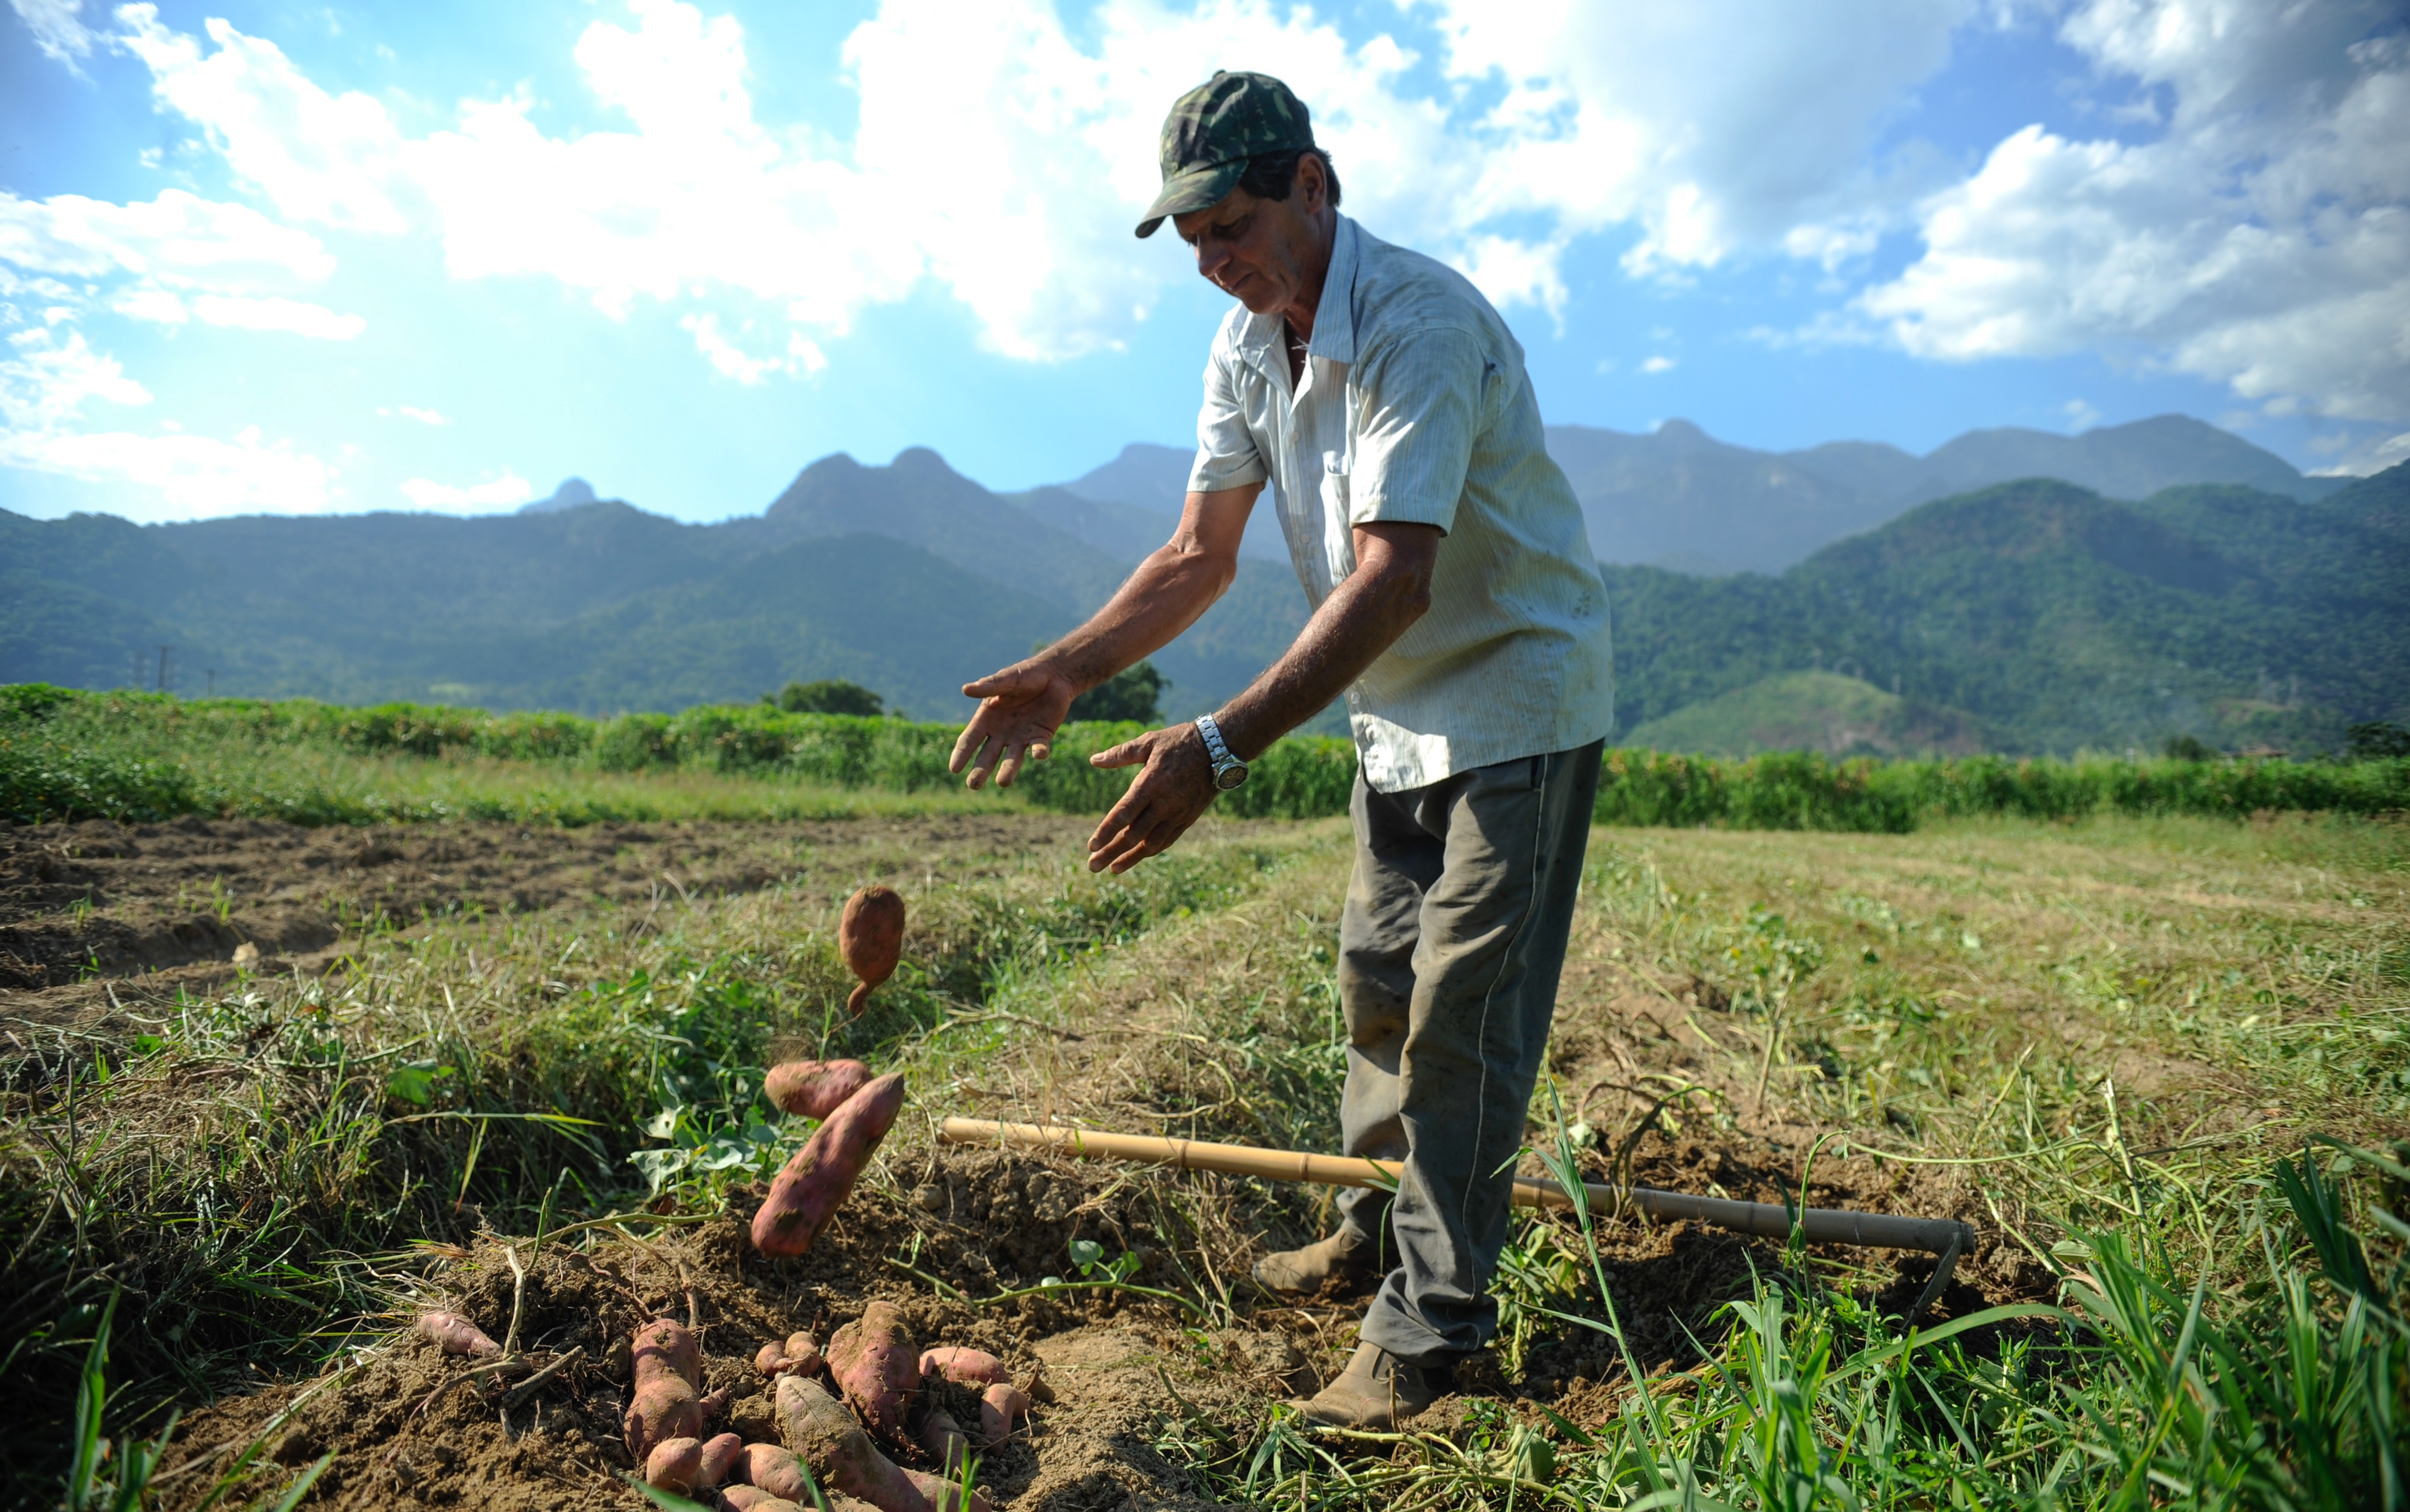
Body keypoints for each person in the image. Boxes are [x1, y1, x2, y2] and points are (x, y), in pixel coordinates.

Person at [949, 70, 1613, 1430]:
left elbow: (1393, 581)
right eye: (1192, 240)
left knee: (1463, 1018)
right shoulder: (1252, 343)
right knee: (1378, 981)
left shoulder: (1418, 323)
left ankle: (1433, 1329)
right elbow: (1199, 552)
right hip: (1395, 712)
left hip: (1515, 700)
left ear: (1314, 184)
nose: (1213, 261)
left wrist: (1217, 745)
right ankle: (1382, 1225)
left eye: (1232, 224)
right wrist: (1072, 668)